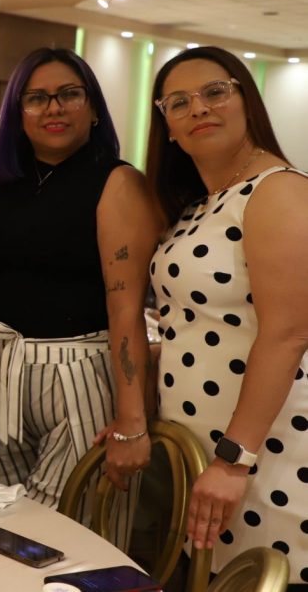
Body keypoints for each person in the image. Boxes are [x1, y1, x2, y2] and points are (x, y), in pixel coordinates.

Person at [145, 46, 307, 585]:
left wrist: (235, 459)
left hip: (267, 450)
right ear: (168, 128)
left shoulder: (277, 189)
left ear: (246, 101)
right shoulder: (201, 202)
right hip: (205, 446)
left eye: (215, 92)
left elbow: (288, 335)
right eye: (178, 102)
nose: (199, 108)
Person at [0, 48, 158, 508]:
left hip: (83, 371)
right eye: (36, 98)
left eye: (69, 95)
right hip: (5, 370)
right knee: (4, 519)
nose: (53, 108)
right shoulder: (2, 181)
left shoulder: (118, 182)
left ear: (93, 108)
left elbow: (126, 309)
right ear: (18, 113)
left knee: (68, 527)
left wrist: (132, 421)